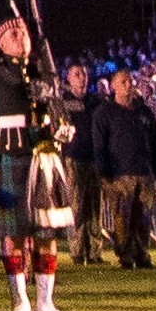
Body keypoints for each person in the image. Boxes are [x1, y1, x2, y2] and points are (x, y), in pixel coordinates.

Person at [0, 9, 74, 311]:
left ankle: (45, 301)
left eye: (24, 33)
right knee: (13, 232)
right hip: (12, 156)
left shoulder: (43, 69)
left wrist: (61, 121)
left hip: (44, 156)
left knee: (46, 231)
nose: (21, 38)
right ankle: (20, 301)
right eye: (13, 35)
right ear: (0, 43)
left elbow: (58, 112)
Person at [93, 66, 156, 269]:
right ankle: (125, 255)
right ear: (113, 86)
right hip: (118, 173)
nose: (128, 85)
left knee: (143, 216)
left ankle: (142, 255)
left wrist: (155, 167)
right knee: (122, 217)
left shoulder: (144, 111)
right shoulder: (104, 113)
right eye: (123, 82)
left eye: (130, 81)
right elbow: (100, 145)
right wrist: (104, 173)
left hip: (144, 171)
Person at [59, 62, 105, 265]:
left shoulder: (96, 102)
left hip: (93, 158)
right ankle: (77, 250)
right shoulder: (63, 102)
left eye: (84, 74)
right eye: (77, 74)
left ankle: (95, 251)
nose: (81, 77)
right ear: (68, 78)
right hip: (74, 158)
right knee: (76, 206)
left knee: (95, 206)